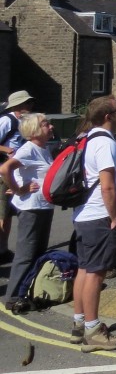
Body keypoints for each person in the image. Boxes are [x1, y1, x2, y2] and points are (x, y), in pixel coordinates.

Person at [72, 95, 116, 352]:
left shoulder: (87, 139)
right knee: (96, 273)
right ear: (108, 116)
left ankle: (80, 324)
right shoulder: (105, 143)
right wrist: (115, 217)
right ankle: (94, 331)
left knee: (85, 269)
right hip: (99, 215)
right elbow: (107, 186)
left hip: (83, 214)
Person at [1, 113, 55, 312]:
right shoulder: (29, 149)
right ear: (33, 131)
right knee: (26, 254)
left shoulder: (44, 148)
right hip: (31, 208)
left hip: (43, 206)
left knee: (38, 253)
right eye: (45, 123)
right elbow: (6, 168)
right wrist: (18, 189)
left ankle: (30, 292)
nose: (50, 126)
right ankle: (13, 297)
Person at [0, 90, 34, 264]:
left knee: (11, 213)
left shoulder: (24, 122)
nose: (29, 106)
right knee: (3, 213)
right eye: (27, 103)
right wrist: (9, 151)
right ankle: (2, 250)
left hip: (17, 173)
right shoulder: (7, 121)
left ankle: (3, 249)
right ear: (18, 105)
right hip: (3, 173)